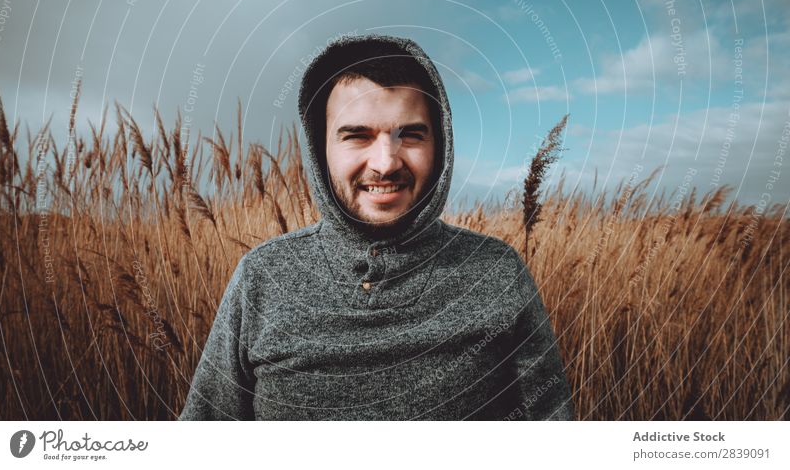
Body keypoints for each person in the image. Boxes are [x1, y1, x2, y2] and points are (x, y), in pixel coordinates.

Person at [179, 34, 574, 420]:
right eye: (357, 136)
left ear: (442, 145)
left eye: (411, 135)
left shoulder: (495, 272)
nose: (386, 163)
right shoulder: (262, 279)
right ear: (321, 150)